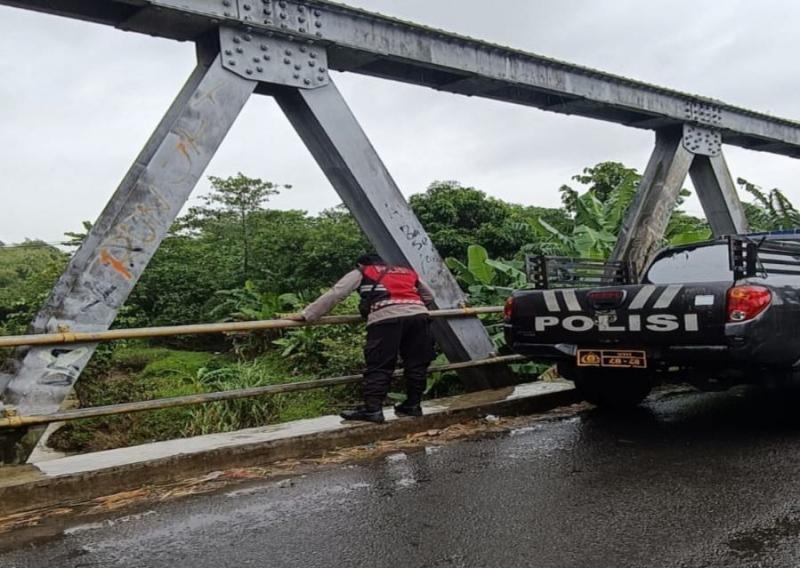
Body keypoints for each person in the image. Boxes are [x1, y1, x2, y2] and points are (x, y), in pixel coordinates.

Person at [287, 253, 435, 423]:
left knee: (379, 365)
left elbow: (337, 293)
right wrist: (410, 308)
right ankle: (413, 406)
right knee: (417, 364)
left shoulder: (362, 271)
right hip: (419, 316)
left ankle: (373, 411)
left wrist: (308, 315)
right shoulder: (406, 272)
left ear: (359, 263)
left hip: (385, 319)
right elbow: (429, 297)